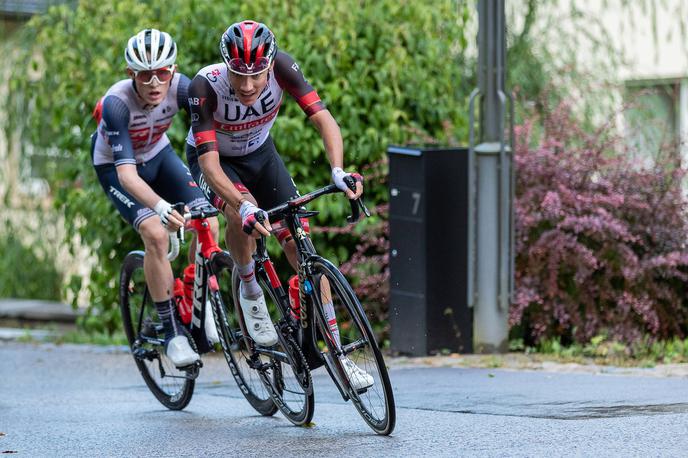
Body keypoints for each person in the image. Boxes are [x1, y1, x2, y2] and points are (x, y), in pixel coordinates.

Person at [185, 20, 373, 389]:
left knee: (297, 242)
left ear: (270, 65)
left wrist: (337, 170)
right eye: (239, 74)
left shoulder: (284, 67)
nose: (249, 85)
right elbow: (208, 164)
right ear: (227, 65)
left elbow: (324, 120)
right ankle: (249, 286)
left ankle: (338, 354)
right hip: (216, 161)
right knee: (243, 214)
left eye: (257, 75)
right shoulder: (204, 86)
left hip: (262, 155)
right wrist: (242, 204)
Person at [91, 28, 219, 368]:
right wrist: (161, 207)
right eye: (144, 74)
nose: (153, 82)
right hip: (116, 167)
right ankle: (170, 331)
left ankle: (196, 298)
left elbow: (204, 141)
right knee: (156, 233)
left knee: (209, 221)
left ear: (173, 70)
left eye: (162, 72)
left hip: (159, 155)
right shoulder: (117, 104)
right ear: (130, 74)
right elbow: (126, 175)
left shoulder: (183, 88)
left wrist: (211, 187)